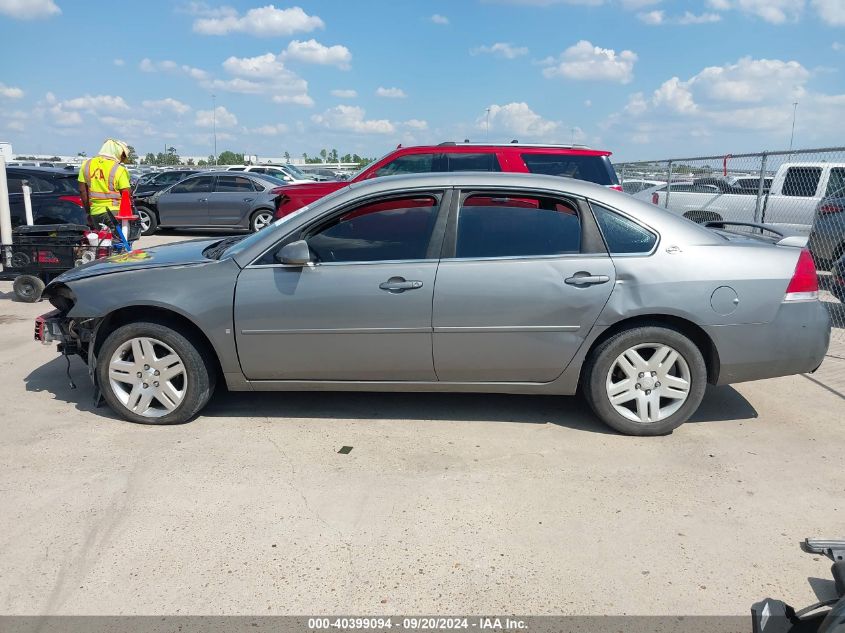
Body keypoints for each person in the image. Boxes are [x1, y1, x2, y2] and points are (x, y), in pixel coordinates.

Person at [78, 139, 132, 230]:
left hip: (95, 212)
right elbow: (126, 193)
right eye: (122, 155)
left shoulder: (86, 165)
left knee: (103, 241)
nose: (121, 159)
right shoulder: (119, 169)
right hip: (115, 213)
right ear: (117, 152)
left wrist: (89, 212)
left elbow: (82, 191)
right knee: (119, 241)